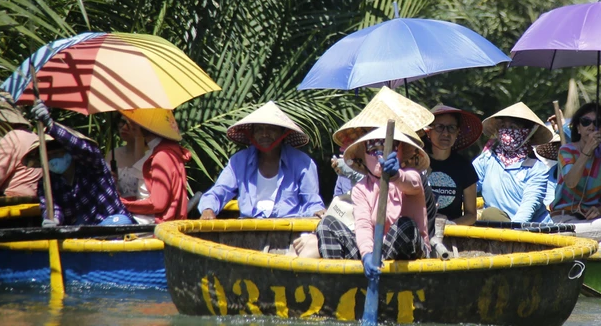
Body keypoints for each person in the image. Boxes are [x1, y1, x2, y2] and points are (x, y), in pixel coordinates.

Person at [309, 127, 431, 271]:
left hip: (410, 252)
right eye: (374, 149)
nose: (381, 156)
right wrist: (367, 254)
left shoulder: (411, 176)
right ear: (364, 157)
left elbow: (412, 183)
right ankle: (342, 282)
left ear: (400, 152)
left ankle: (382, 269)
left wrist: (395, 175)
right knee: (326, 225)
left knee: (405, 225)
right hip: (374, 253)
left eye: (389, 148)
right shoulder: (360, 189)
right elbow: (363, 225)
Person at [198, 102, 324, 219]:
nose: (264, 134)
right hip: (248, 229)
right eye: (259, 129)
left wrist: (317, 211)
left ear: (282, 132)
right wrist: (208, 209)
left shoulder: (303, 163)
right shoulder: (239, 161)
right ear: (252, 134)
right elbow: (219, 191)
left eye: (271, 129)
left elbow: (312, 201)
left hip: (289, 231)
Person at [26, 100, 132, 225]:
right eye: (48, 157)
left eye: (56, 154)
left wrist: (50, 125)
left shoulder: (91, 165)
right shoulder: (48, 183)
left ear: (69, 152)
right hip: (81, 232)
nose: (52, 160)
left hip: (111, 221)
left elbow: (82, 148)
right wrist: (53, 219)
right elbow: (52, 206)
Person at [549, 103, 601, 247]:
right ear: (578, 128)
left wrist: (600, 210)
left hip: (590, 223)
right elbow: (570, 182)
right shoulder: (566, 151)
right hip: (564, 221)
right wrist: (586, 152)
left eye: (598, 123)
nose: (591, 127)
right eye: (586, 122)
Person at [472, 102, 553, 223]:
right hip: (498, 224)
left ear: (528, 133)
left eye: (513, 128)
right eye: (503, 126)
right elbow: (467, 186)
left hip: (531, 229)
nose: (507, 132)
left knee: (490, 213)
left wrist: (514, 231)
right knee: (490, 214)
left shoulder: (537, 168)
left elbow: (530, 204)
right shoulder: (486, 160)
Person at [114, 109, 192, 224]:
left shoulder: (162, 155)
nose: (130, 124)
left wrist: (124, 204)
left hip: (153, 224)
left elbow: (158, 204)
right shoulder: (164, 151)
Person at [424, 104, 481, 226]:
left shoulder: (465, 167)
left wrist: (450, 225)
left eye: (451, 128)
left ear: (457, 132)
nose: (446, 133)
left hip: (452, 234)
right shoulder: (417, 163)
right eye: (440, 127)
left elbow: (471, 215)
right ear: (429, 132)